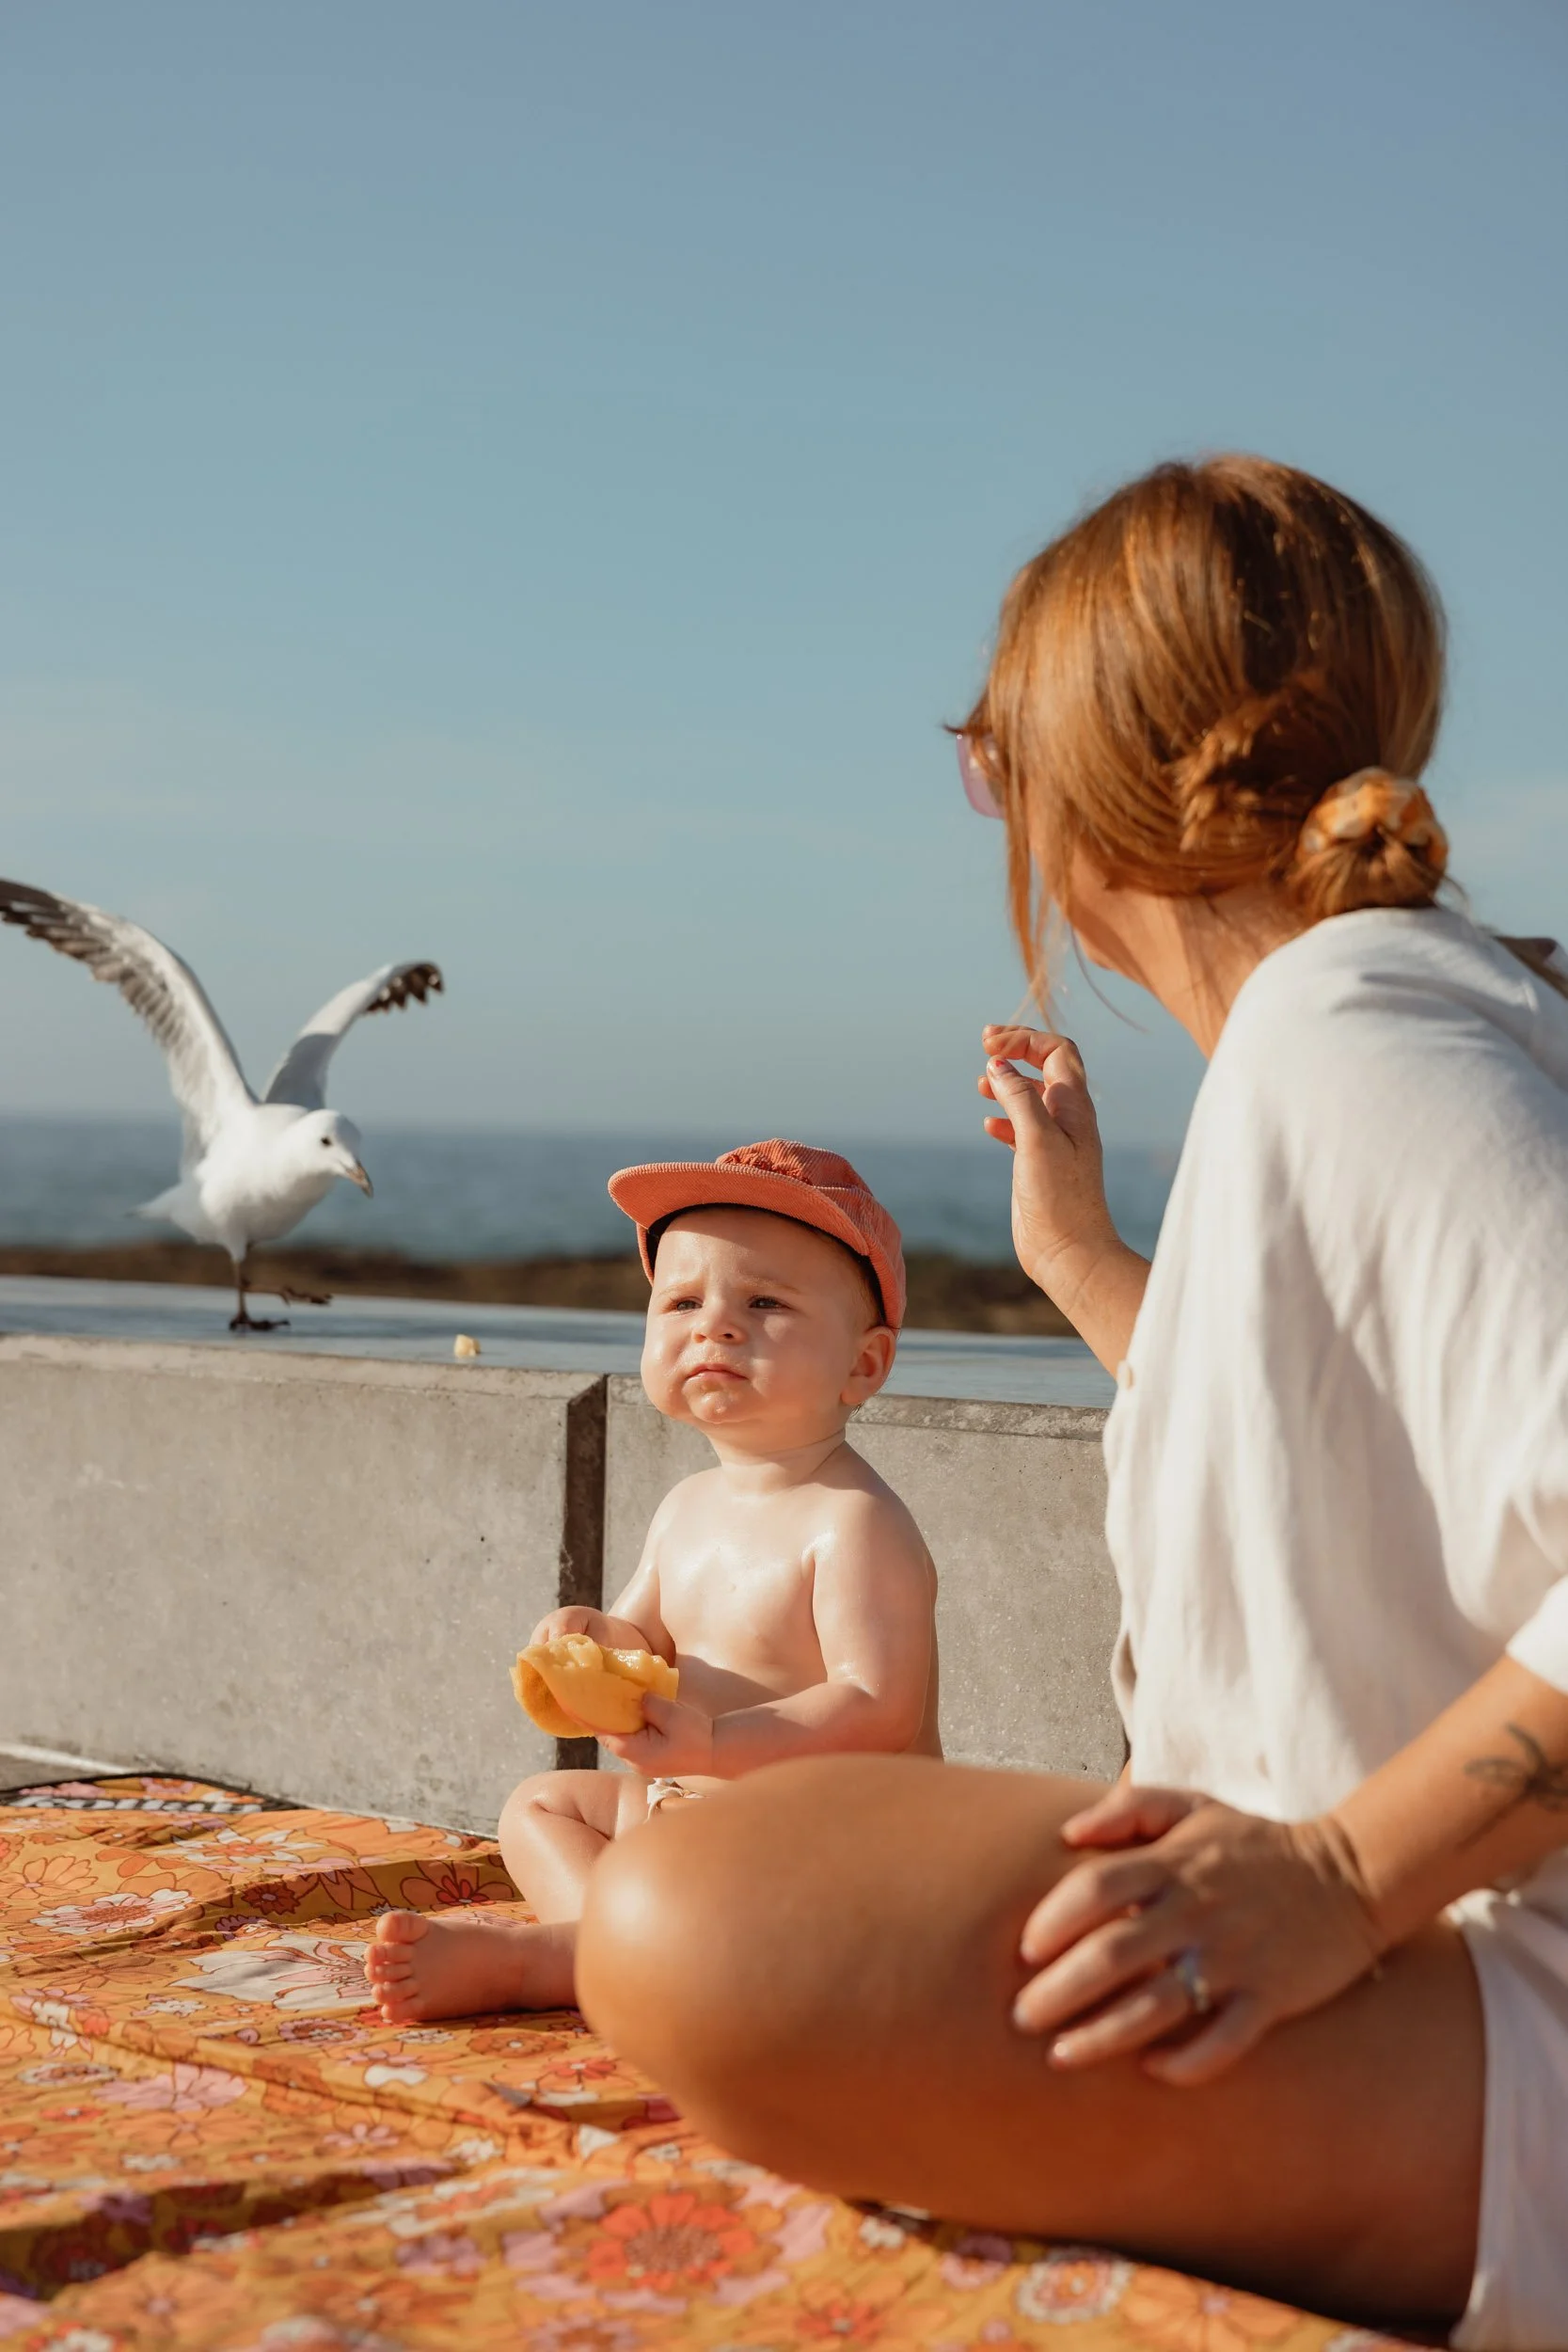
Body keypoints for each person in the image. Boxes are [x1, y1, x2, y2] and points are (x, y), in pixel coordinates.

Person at [574, 456, 1568, 2350]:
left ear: (1077, 787)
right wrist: (1090, 1274)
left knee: (693, 1925)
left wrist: (1339, 1880)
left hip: (1494, 2018)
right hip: (1423, 1984)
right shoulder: (1389, 1019)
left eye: (986, 758)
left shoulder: (1356, 1024)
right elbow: (1330, 1452)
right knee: (703, 1893)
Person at [367, 1138, 940, 2025]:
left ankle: (542, 1966)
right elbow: (644, 1643)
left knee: (723, 1892)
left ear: (862, 1366)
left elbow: (877, 1706)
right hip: (688, 1814)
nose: (713, 1325)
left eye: (764, 1301)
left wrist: (714, 1747)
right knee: (540, 1805)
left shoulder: (851, 1520)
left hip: (822, 1843)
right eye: (680, 1300)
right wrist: (590, 1640)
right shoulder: (687, 1505)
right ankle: (616, 1945)